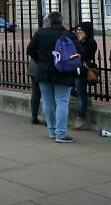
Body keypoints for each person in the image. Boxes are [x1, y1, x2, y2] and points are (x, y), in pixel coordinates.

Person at [27, 11, 84, 143]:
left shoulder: (40, 33)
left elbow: (30, 50)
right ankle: (61, 133)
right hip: (63, 71)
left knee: (47, 101)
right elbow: (80, 51)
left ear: (50, 22)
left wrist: (40, 60)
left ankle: (52, 131)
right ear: (62, 22)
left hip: (44, 71)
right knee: (62, 101)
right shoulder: (67, 34)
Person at [73, 22, 98, 130]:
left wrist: (78, 43)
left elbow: (83, 54)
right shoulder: (79, 41)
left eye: (80, 30)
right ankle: (84, 99)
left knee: (81, 94)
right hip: (74, 69)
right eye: (77, 30)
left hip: (83, 71)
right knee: (73, 90)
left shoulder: (91, 42)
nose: (78, 32)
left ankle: (81, 117)